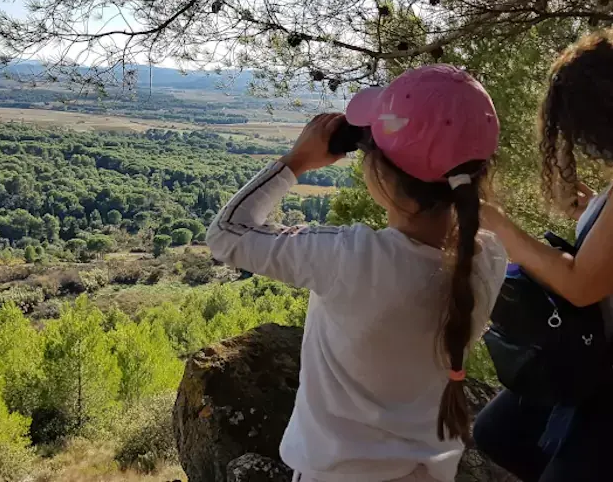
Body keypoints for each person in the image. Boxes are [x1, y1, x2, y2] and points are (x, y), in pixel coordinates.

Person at [206, 64, 508, 482]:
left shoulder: (350, 258)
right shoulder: (488, 257)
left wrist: (297, 160)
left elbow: (226, 234)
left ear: (381, 174)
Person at [474, 30, 613, 482]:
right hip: (600, 357)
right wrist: (592, 212)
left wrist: (500, 226)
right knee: (497, 433)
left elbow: (581, 286)